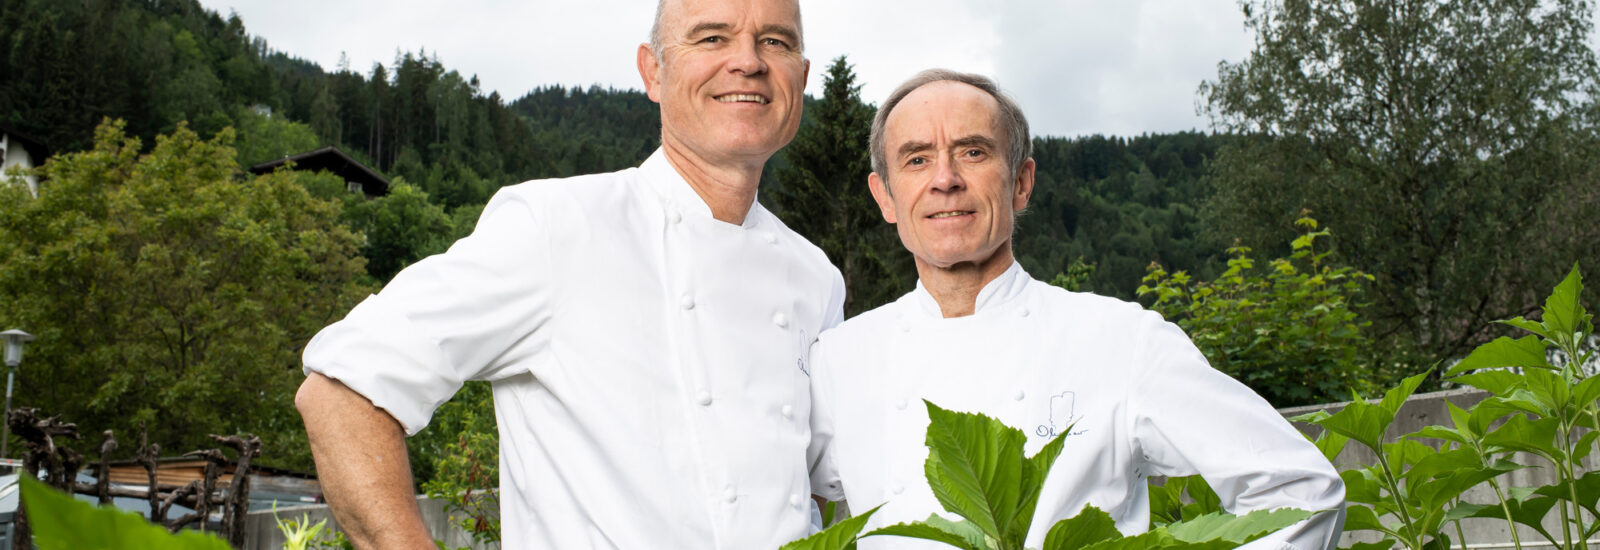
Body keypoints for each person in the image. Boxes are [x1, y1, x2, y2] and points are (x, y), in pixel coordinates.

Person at [294, 0, 844, 547]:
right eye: (711, 39)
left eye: (776, 41)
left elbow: (811, 490)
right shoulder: (558, 228)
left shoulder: (816, 278)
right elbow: (344, 387)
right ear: (653, 71)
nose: (748, 61)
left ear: (802, 74)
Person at [805, 69, 1346, 549]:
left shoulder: (1119, 339)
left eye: (973, 152)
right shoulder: (841, 359)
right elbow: (777, 509)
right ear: (885, 198)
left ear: (1020, 182)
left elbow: (1301, 491)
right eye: (917, 159)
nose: (945, 179)